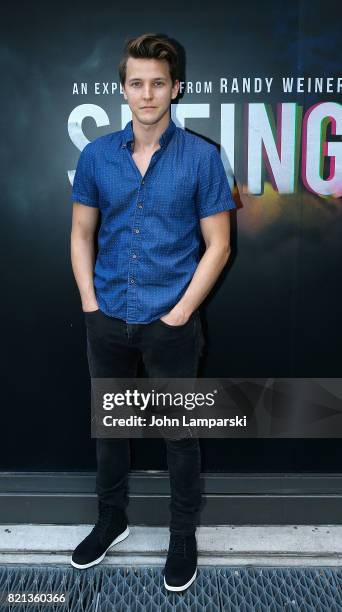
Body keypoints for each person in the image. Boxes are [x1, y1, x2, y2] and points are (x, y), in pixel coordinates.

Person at [70, 32, 235, 592]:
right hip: (108, 316)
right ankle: (111, 519)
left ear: (175, 88)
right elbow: (80, 233)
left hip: (173, 322)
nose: (147, 94)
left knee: (179, 434)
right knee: (110, 429)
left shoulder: (203, 158)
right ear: (123, 90)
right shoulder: (95, 156)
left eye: (158, 83)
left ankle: (182, 533)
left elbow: (220, 245)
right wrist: (91, 304)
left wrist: (182, 312)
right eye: (136, 83)